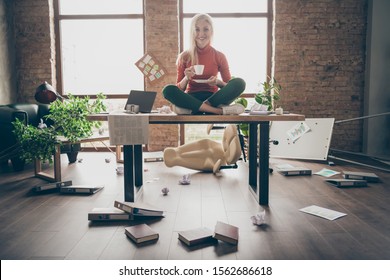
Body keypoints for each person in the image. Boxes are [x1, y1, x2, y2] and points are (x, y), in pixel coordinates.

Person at [162, 13, 246, 115]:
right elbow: (179, 89)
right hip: (191, 97)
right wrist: (186, 78)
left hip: (214, 98)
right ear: (192, 32)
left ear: (211, 31)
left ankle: (199, 108)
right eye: (197, 30)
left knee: (240, 83)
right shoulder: (184, 56)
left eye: (205, 29)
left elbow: (229, 86)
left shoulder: (219, 56)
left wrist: (218, 82)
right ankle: (216, 111)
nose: (201, 34)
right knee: (168, 90)